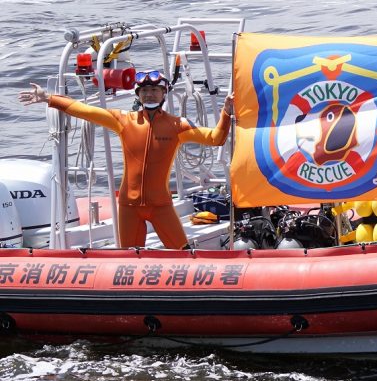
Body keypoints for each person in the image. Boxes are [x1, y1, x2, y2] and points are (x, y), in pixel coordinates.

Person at [19, 70, 234, 249]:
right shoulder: (124, 120)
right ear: (138, 95)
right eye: (144, 91)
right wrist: (49, 98)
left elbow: (216, 138)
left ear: (164, 93)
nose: (149, 95)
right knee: (130, 258)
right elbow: (85, 111)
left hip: (160, 206)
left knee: (183, 253)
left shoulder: (178, 125)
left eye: (154, 90)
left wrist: (226, 112)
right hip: (128, 206)